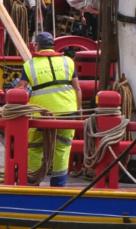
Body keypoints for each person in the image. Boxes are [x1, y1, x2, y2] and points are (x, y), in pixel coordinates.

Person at [14, 32, 81, 186]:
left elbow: (21, 88)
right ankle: (58, 185)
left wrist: (10, 102)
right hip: (68, 112)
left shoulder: (30, 65)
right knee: (62, 148)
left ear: (37, 46)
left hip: (40, 114)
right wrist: (79, 110)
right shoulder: (68, 62)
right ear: (53, 46)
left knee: (35, 147)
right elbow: (77, 88)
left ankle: (32, 182)